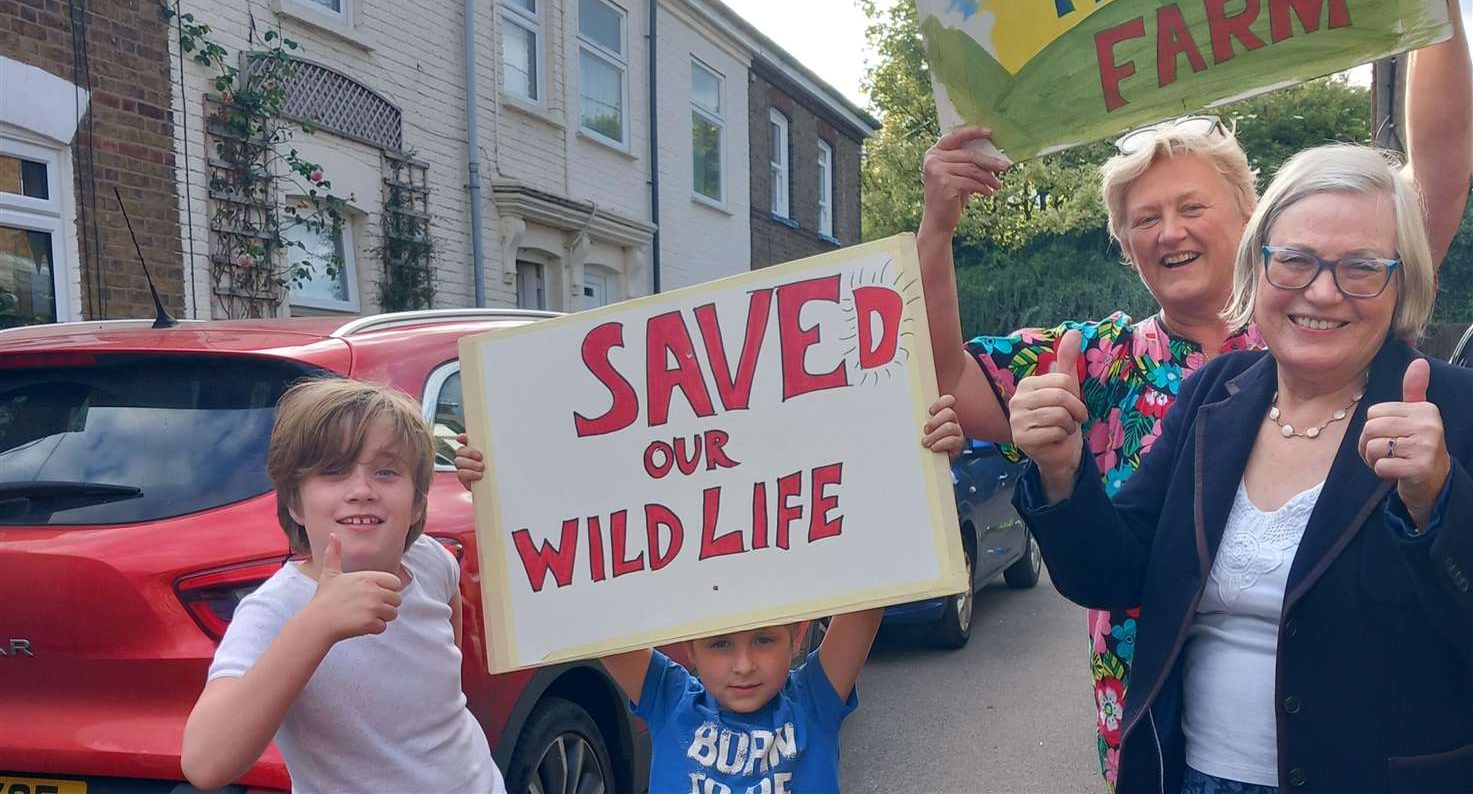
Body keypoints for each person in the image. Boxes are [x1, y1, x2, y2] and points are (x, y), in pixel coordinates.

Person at [918, 0, 1470, 788]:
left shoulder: (1385, 358)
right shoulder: (1108, 360)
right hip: (1166, 732)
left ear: (1247, 220)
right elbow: (966, 398)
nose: (1321, 290)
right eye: (1142, 220)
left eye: (1189, 207)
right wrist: (934, 232)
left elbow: (1443, 161)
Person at [1009, 144, 1473, 794]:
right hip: (1192, 777)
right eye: (1294, 260)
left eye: (1360, 267)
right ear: (1257, 267)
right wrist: (1061, 469)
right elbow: (1112, 572)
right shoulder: (1215, 394)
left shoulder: (1452, 410)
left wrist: (1438, 502)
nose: (1319, 291)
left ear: (1403, 282)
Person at [454, 397, 967, 792]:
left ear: (796, 638)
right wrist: (501, 488)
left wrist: (921, 461)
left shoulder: (815, 700)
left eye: (764, 640)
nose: (743, 664)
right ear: (691, 649)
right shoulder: (668, 698)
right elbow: (582, 590)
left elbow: (877, 585)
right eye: (720, 644)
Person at [181, 379, 505, 794]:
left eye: (386, 471)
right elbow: (205, 763)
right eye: (333, 472)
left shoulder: (430, 561)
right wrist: (316, 627)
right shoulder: (278, 610)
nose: (361, 491)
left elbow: (448, 636)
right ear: (295, 504)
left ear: (418, 502)